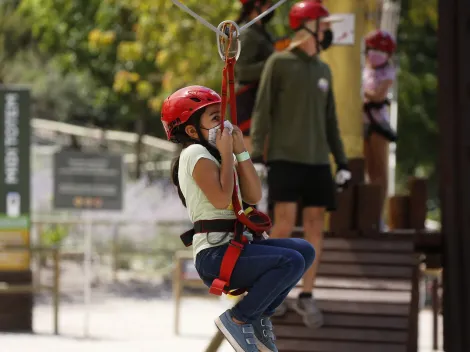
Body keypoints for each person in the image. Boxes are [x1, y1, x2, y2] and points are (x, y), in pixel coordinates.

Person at [161, 85, 316, 352]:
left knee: (304, 251)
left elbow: (253, 196)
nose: (223, 125)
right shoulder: (194, 154)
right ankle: (238, 318)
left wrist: (240, 151)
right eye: (213, 119)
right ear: (191, 130)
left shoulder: (218, 156)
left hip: (235, 245)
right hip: (214, 255)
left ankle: (257, 318)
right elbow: (221, 200)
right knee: (289, 261)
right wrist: (225, 154)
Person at [249, 0, 351, 328]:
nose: (327, 32)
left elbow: (331, 120)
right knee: (283, 223)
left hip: (318, 161)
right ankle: (274, 294)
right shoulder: (278, 63)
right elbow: (262, 110)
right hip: (284, 158)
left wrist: (342, 161)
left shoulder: (324, 69)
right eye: (322, 26)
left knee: (314, 227)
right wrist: (257, 156)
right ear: (305, 26)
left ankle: (306, 296)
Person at [362, 29, 397, 226]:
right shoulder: (364, 69)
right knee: (366, 170)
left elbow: (377, 96)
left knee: (379, 172)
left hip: (378, 126)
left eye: (380, 51)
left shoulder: (388, 72)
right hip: (362, 124)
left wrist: (362, 91)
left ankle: (379, 215)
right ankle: (368, 214)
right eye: (373, 49)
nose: (375, 53)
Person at [235, 0, 275, 154]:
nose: (270, 8)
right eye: (267, 4)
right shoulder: (247, 34)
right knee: (250, 154)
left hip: (260, 98)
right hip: (247, 100)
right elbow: (242, 70)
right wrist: (273, 62)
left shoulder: (261, 32)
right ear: (255, 6)